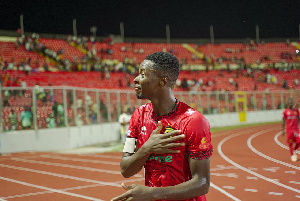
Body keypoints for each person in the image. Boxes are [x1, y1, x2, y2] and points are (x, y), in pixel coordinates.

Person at [112, 52, 213, 201]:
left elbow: (202, 183)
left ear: (162, 81)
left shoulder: (194, 121)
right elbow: (125, 169)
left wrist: (151, 194)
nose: (135, 79)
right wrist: (147, 148)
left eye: (143, 75)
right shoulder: (138, 116)